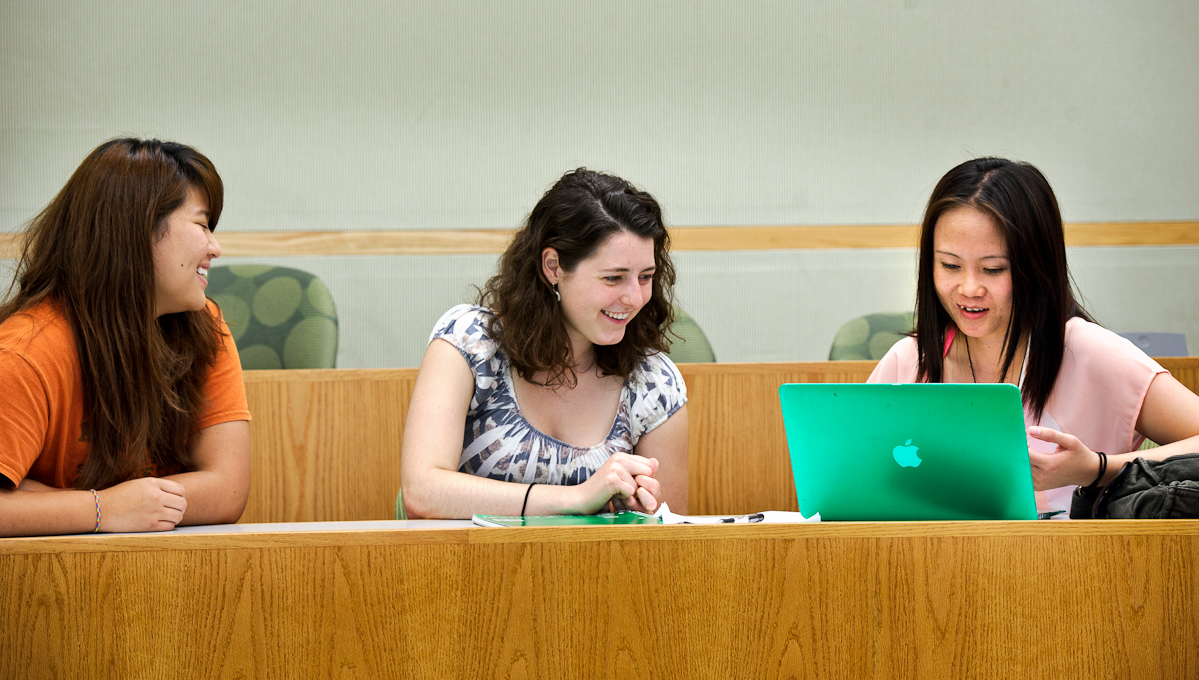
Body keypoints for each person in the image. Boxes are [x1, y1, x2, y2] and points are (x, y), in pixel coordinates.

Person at [869, 157, 1199, 518]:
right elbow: (853, 479)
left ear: (1035, 266)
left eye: (993, 269)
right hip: (932, 562)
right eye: (950, 265)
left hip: (1073, 566)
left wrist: (1097, 468)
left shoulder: (1089, 350)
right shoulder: (908, 359)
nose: (968, 288)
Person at [401, 169, 689, 519]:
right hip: (466, 570)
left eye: (646, 277)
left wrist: (633, 511)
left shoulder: (654, 381)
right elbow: (422, 492)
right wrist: (576, 498)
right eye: (613, 277)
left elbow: (670, 538)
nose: (634, 297)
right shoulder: (470, 343)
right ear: (553, 266)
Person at [0, 138, 251, 536]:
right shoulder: (24, 354)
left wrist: (48, 502)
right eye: (202, 225)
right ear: (136, 231)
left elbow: (227, 489)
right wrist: (101, 510)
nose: (214, 247)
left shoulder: (205, 324)